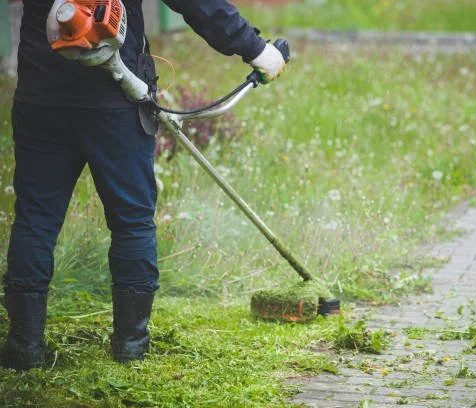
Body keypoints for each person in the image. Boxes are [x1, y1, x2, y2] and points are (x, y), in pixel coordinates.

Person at [1, 0, 285, 370]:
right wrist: (256, 49)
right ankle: (131, 345)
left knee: (34, 220)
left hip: (41, 93)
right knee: (131, 221)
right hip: (114, 104)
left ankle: (24, 346)